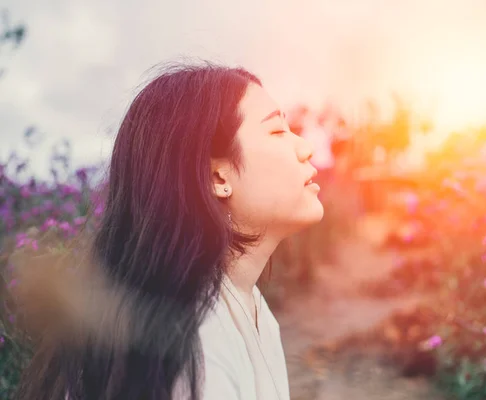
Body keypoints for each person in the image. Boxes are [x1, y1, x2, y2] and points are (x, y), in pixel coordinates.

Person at [12, 63, 324, 400]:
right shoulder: (199, 344)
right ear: (218, 178)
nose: (306, 149)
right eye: (278, 132)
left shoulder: (243, 302)